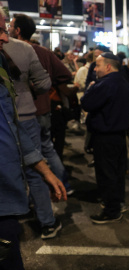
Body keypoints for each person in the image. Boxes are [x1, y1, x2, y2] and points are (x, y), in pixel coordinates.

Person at [0, 8, 67, 268]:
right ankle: (47, 221)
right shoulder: (27, 51)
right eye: (0, 30)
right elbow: (45, 83)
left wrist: (45, 171)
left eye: (6, 29)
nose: (5, 38)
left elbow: (10, 123)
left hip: (7, 198)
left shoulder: (3, 64)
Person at [8, 13, 75, 196]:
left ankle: (41, 200)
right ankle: (64, 185)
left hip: (26, 113)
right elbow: (65, 75)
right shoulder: (44, 52)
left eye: (10, 26)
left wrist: (38, 87)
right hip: (44, 110)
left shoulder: (15, 50)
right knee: (47, 149)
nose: (7, 30)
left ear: (18, 30)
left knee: (31, 157)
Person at [81, 52, 129, 224]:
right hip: (120, 136)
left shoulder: (105, 84)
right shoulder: (123, 82)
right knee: (117, 172)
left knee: (107, 174)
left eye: (97, 65)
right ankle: (118, 203)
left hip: (105, 136)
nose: (95, 69)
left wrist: (90, 88)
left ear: (108, 66)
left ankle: (111, 210)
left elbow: (86, 103)